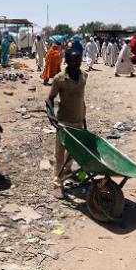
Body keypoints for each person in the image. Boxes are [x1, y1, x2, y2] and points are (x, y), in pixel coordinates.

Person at [47, 49, 87, 198]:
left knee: (74, 150)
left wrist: (83, 115)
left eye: (79, 60)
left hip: (78, 119)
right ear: (67, 61)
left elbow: (81, 97)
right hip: (64, 121)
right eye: (74, 60)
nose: (77, 63)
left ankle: (68, 171)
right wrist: (51, 116)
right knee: (60, 153)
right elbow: (49, 99)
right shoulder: (59, 79)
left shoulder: (84, 76)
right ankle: (57, 182)